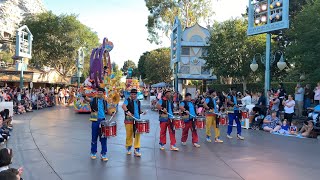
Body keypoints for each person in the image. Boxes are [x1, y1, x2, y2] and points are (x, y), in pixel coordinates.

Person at [84, 88, 109, 161]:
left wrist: (112, 112)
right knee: (94, 137)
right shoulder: (93, 100)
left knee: (103, 138)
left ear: (103, 93)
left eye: (101, 92)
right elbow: (87, 99)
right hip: (95, 120)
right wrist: (83, 95)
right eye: (98, 92)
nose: (99, 93)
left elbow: (107, 111)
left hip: (103, 121)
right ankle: (93, 152)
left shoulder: (105, 101)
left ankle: (103, 153)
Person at [122, 89, 146, 157]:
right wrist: (127, 111)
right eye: (132, 94)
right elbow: (123, 106)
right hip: (129, 120)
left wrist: (142, 112)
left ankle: (137, 149)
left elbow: (139, 110)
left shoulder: (138, 101)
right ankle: (128, 148)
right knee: (129, 134)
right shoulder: (127, 100)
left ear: (136, 95)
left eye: (134, 94)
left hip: (137, 120)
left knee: (138, 135)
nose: (133, 95)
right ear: (130, 94)